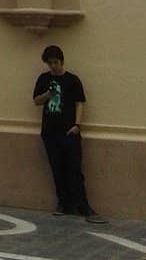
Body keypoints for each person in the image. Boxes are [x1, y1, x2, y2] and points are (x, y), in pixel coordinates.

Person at [33, 44, 106, 223]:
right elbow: (36, 100)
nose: (53, 66)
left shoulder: (72, 80)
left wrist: (77, 125)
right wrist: (48, 95)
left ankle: (83, 205)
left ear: (62, 61)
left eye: (55, 62)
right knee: (57, 169)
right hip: (50, 132)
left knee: (74, 169)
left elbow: (79, 103)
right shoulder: (43, 79)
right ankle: (63, 203)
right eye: (50, 63)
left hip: (69, 132)